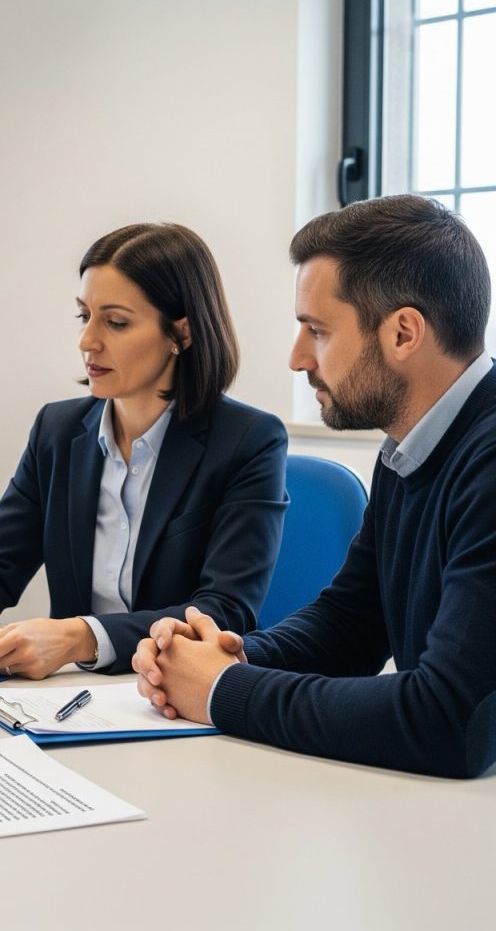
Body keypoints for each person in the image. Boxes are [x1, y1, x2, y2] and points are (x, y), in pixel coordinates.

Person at [134, 194, 496, 778]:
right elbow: (353, 623)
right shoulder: (410, 445)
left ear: (404, 333)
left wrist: (224, 690)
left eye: (317, 331)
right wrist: (228, 654)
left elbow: (451, 720)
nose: (298, 358)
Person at [0, 222, 288, 678]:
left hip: (179, 694)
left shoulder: (248, 440)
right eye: (84, 316)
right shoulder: (58, 430)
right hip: (70, 696)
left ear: (181, 334)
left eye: (117, 322)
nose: (88, 341)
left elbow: (224, 611)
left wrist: (79, 637)